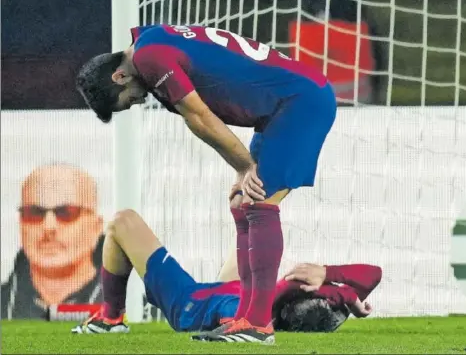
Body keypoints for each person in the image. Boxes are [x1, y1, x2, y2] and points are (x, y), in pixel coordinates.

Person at [76, 23, 337, 343]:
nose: (137, 102)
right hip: (282, 106)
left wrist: (244, 167)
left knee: (259, 202)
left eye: (127, 100)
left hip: (299, 102)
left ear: (119, 76)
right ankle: (244, 318)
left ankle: (257, 325)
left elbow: (198, 115)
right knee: (244, 203)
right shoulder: (149, 39)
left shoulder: (150, 58)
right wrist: (243, 169)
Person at [71, 206, 382, 342]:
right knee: (254, 218)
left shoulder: (259, 307)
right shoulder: (278, 302)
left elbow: (285, 287)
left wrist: (348, 295)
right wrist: (343, 288)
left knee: (122, 221)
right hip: (233, 289)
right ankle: (243, 208)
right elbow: (373, 274)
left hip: (190, 303)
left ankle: (110, 320)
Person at [1, 163, 104, 319]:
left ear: (96, 227)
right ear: (21, 224)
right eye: (34, 213)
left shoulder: (138, 310)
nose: (48, 227)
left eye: (66, 213)